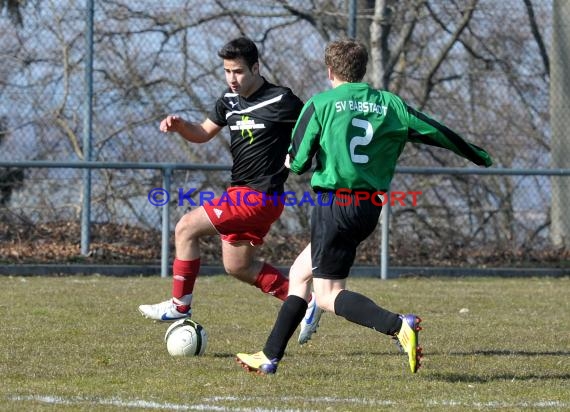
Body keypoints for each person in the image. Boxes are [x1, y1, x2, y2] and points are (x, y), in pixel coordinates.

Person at [236, 39, 493, 375]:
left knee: (327, 295)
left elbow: (298, 162)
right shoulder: (391, 105)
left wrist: (291, 159)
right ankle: (269, 356)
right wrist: (479, 155)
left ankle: (398, 325)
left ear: (330, 71)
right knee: (300, 274)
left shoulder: (322, 103)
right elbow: (437, 132)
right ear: (363, 70)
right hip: (368, 209)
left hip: (334, 205)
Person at [139, 37, 322, 344]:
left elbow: (315, 127)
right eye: (226, 71)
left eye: (238, 71)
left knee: (185, 228)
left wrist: (303, 157)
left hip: (259, 196)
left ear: (255, 67)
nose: (232, 79)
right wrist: (180, 125)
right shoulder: (228, 101)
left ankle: (179, 305)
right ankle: (306, 303)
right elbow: (202, 133)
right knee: (238, 265)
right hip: (241, 194)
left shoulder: (281, 100)